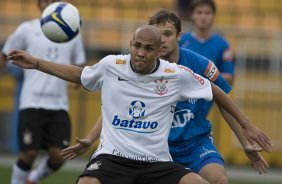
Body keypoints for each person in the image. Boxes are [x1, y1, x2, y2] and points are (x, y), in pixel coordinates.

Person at [8, 25, 272, 184]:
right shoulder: (112, 65)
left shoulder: (174, 74)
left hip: (155, 162)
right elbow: (79, 74)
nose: (140, 53)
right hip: (113, 157)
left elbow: (214, 89)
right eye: (136, 46)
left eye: (147, 48)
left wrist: (246, 125)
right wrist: (38, 63)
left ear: (159, 51)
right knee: (87, 181)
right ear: (130, 45)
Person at [148, 9, 269, 184]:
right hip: (158, 147)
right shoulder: (143, 68)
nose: (162, 40)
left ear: (179, 36)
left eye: (167, 34)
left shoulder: (200, 64)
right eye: (157, 35)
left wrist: (245, 142)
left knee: (219, 179)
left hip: (195, 143)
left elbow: (223, 102)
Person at [0, 0, 86, 184]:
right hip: (31, 102)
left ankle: (33, 179)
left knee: (59, 156)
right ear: (39, 4)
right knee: (29, 152)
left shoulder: (72, 30)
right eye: (44, 0)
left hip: (59, 104)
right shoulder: (26, 29)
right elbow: (5, 53)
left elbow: (79, 64)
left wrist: (79, 80)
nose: (48, 3)